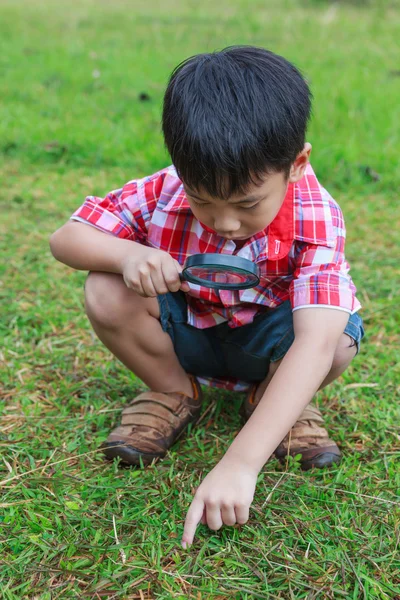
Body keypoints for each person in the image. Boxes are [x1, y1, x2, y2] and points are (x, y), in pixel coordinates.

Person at [49, 46, 364, 548]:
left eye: (247, 203)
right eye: (203, 200)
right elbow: (65, 238)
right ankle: (174, 391)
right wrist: (127, 256)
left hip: (274, 348)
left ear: (297, 163)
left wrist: (240, 463)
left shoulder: (317, 218)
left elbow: (316, 340)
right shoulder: (163, 190)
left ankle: (276, 400)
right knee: (104, 286)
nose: (225, 223)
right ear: (180, 167)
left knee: (340, 335)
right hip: (189, 338)